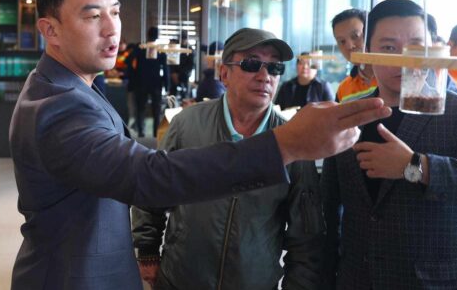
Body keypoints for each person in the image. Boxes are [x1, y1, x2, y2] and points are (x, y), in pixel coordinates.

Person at [9, 0, 389, 290]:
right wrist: (285, 144)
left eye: (116, 12)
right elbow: (147, 177)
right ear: (51, 30)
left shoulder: (76, 87)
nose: (112, 29)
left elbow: (304, 237)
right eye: (93, 16)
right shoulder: (58, 105)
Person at [321, 0, 457, 289]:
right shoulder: (347, 113)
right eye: (389, 48)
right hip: (357, 279)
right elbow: (329, 209)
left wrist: (418, 167)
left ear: (434, 50)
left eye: (416, 47)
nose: (404, 59)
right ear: (368, 52)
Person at [131, 28, 324, 290]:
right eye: (251, 64)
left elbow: (306, 236)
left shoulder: (293, 140)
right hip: (181, 278)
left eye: (275, 67)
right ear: (224, 74)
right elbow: (152, 189)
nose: (265, 76)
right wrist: (147, 251)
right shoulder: (187, 124)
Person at [128, 26, 169, 137]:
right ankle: (156, 134)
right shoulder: (160, 50)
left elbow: (131, 65)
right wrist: (167, 85)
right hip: (156, 83)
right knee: (156, 110)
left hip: (140, 82)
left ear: (147, 35)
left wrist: (132, 81)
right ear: (157, 36)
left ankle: (141, 132)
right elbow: (165, 69)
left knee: (140, 108)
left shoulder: (140, 48)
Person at [331, 8, 377, 102]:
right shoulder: (343, 89)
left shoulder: (395, 78)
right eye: (342, 41)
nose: (349, 46)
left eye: (355, 36)